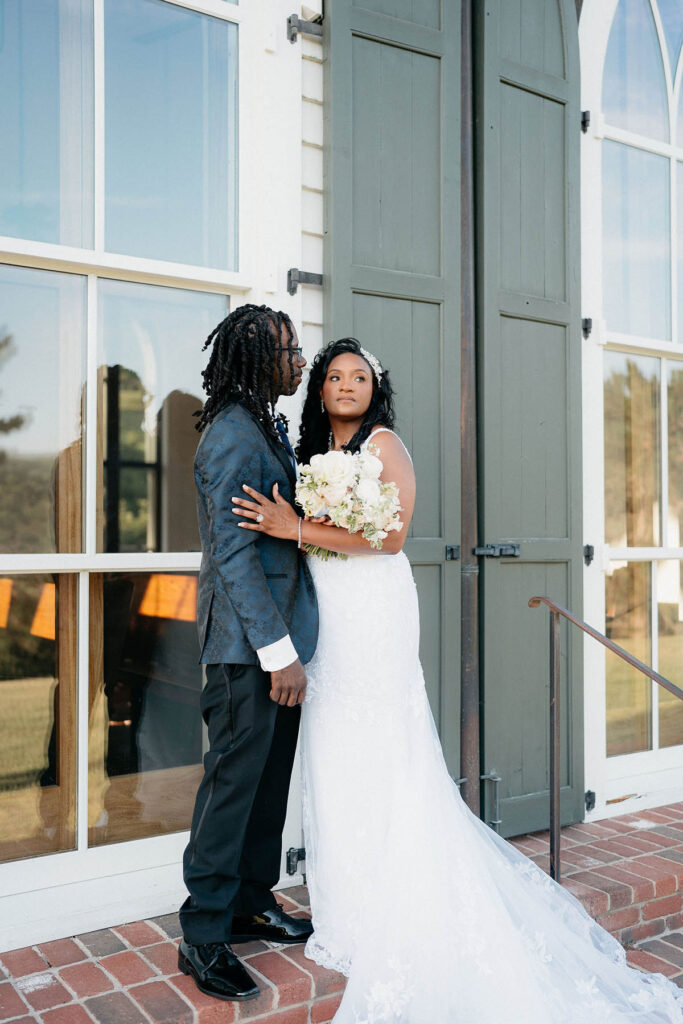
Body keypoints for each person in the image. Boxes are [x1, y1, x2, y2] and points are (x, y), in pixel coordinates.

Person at [232, 337, 683, 1023]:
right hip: (330, 616)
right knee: (335, 751)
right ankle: (350, 899)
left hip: (374, 614)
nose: (345, 385)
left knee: (386, 746)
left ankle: (400, 892)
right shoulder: (313, 453)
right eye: (333, 376)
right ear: (318, 389)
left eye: (358, 376)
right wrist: (295, 528)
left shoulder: (385, 445)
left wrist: (294, 527)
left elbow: (389, 537)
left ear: (372, 389)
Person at [178, 304, 319, 1003]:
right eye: (288, 350)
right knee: (232, 788)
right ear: (255, 357)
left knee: (267, 783)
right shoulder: (232, 436)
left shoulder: (264, 423)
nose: (298, 360)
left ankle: (248, 904)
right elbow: (233, 559)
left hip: (279, 644)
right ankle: (203, 933)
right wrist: (276, 654)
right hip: (247, 651)